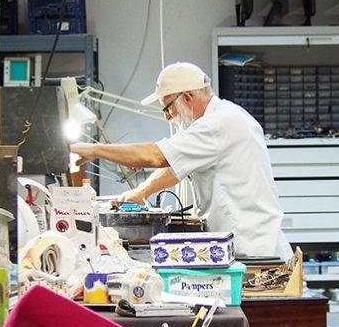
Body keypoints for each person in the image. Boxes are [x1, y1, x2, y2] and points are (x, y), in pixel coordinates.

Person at [70, 62, 293, 260]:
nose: (167, 116)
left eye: (168, 107)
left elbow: (157, 156)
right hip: (250, 244)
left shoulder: (218, 124)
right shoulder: (223, 116)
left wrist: (94, 150)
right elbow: (174, 167)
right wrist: (142, 192)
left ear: (186, 97)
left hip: (252, 251)